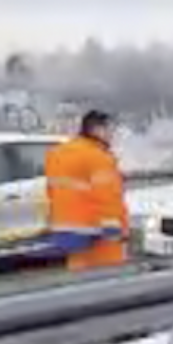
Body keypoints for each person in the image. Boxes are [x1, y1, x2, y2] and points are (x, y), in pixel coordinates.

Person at [44, 109, 130, 271]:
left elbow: (51, 191)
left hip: (67, 231)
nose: (113, 135)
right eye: (110, 129)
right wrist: (116, 230)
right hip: (99, 233)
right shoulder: (98, 157)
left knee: (80, 280)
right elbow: (107, 197)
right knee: (110, 281)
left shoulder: (57, 154)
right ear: (96, 130)